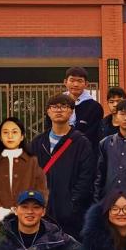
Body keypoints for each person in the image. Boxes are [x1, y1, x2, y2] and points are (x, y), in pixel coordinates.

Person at [31, 93, 94, 240]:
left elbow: (86, 176)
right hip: (42, 210)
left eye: (64, 106)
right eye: (54, 107)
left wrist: (72, 203)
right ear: (48, 111)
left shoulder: (81, 142)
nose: (59, 110)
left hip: (71, 215)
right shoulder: (38, 142)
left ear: (71, 111)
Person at [0, 117, 47, 238]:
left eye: (14, 132)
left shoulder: (32, 162)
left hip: (27, 227)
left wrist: (28, 211)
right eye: (5, 132)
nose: (10, 136)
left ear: (22, 136)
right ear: (0, 137)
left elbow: (42, 191)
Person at [42, 66, 104, 148]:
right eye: (72, 80)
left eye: (80, 81)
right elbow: (48, 127)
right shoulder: (55, 103)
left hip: (83, 150)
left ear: (86, 84)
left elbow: (94, 134)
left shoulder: (94, 107)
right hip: (56, 148)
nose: (75, 84)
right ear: (65, 82)